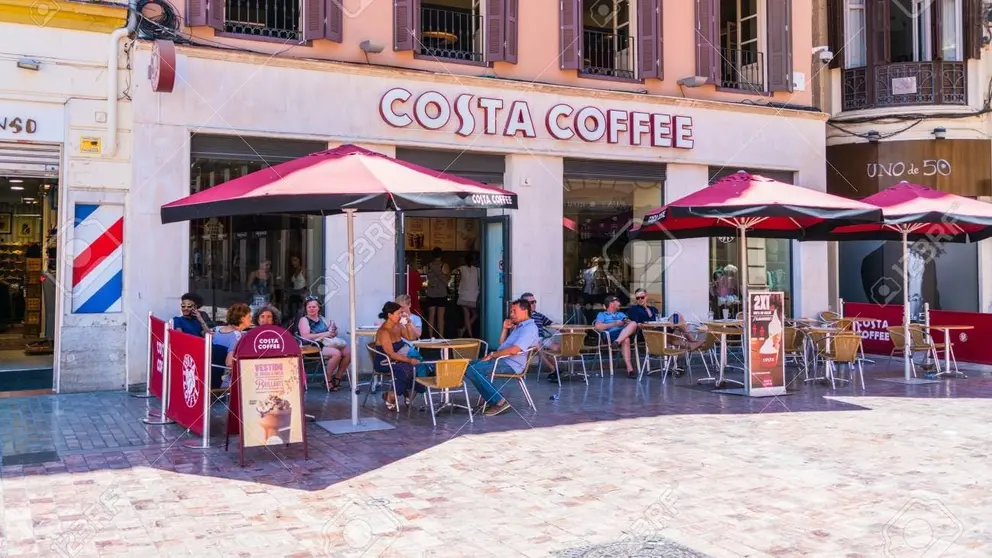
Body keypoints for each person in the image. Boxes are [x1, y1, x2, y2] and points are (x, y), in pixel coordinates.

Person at [460, 299, 541, 417]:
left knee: (473, 369)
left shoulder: (529, 328)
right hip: (503, 360)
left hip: (511, 365)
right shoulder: (519, 326)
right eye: (511, 311)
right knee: (467, 366)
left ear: (524, 311)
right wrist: (505, 329)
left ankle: (498, 401)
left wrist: (491, 355)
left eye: (514, 311)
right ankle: (491, 399)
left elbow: (514, 350)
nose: (511, 314)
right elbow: (502, 345)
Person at [373, 302, 426, 411]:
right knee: (408, 370)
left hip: (400, 358)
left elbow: (411, 338)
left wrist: (408, 324)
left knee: (423, 368)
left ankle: (407, 393)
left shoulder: (398, 325)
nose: (402, 315)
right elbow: (391, 354)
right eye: (399, 313)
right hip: (385, 361)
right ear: (390, 315)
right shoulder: (384, 331)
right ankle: (391, 396)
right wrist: (409, 360)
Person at [298, 296, 351, 392]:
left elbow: (331, 332)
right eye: (309, 307)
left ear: (319, 308)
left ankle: (337, 378)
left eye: (314, 307)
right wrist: (325, 334)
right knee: (336, 353)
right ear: (306, 308)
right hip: (312, 346)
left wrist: (333, 332)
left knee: (348, 352)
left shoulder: (322, 319)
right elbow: (305, 336)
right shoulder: (304, 320)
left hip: (326, 344)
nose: (311, 309)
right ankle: (328, 379)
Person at [594, 295, 639, 378]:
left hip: (623, 332)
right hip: (611, 334)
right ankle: (630, 369)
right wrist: (615, 324)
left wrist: (626, 322)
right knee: (626, 340)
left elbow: (630, 323)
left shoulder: (621, 314)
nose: (620, 303)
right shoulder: (602, 314)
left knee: (633, 323)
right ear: (611, 303)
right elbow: (598, 327)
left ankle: (617, 342)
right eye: (617, 300)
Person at [211, 303, 253, 388]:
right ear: (242, 319)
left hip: (211, 376)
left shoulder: (217, 329)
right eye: (249, 317)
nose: (251, 319)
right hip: (224, 382)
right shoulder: (236, 336)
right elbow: (229, 363)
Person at [520, 292, 560, 378]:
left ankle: (558, 370)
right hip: (529, 340)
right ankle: (554, 369)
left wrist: (560, 326)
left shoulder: (538, 315)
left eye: (535, 301)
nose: (534, 304)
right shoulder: (521, 316)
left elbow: (551, 323)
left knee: (558, 347)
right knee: (539, 346)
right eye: (531, 302)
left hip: (542, 339)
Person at [424, 248, 450, 337]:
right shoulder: (444, 265)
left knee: (431, 316)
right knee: (440, 318)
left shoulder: (428, 266)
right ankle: (441, 337)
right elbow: (447, 280)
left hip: (431, 293)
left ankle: (431, 336)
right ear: (441, 255)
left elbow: (426, 276)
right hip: (442, 293)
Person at [455, 254, 480, 337]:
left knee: (466, 315)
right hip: (473, 296)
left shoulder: (461, 269)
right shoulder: (477, 270)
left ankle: (468, 333)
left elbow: (457, 280)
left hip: (463, 296)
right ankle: (464, 331)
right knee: (475, 314)